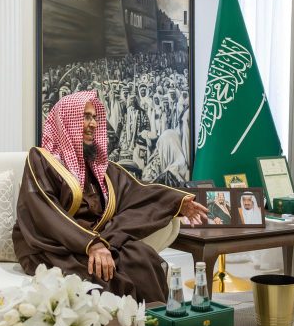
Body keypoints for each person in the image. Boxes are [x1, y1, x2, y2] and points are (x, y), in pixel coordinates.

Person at [12, 90, 207, 302]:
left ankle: (154, 320)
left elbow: (137, 191)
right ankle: (122, 324)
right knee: (103, 276)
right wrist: (91, 244)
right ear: (66, 121)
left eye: (95, 118)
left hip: (96, 240)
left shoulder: (98, 167)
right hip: (53, 245)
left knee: (142, 258)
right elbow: (45, 212)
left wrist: (177, 202)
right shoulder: (41, 160)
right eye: (86, 117)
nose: (93, 124)